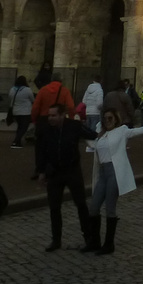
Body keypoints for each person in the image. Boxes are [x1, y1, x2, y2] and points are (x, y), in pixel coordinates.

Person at [87, 107, 143, 253]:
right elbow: (93, 147)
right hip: (103, 173)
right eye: (105, 118)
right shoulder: (101, 134)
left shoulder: (122, 130)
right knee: (93, 207)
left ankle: (108, 244)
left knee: (110, 208)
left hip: (114, 172)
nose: (108, 121)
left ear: (116, 119)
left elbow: (139, 131)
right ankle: (94, 242)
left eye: (110, 118)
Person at [34, 101, 97, 251]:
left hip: (72, 170)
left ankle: (88, 237)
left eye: (54, 115)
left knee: (81, 204)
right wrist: (41, 171)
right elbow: (41, 151)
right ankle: (56, 240)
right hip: (54, 172)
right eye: (49, 115)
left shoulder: (73, 126)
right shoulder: (45, 130)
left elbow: (91, 134)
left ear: (62, 115)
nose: (50, 118)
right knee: (54, 207)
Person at [8, 76, 34, 148]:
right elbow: (32, 99)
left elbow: (10, 97)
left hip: (15, 111)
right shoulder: (27, 90)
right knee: (24, 128)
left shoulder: (12, 89)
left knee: (19, 127)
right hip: (25, 112)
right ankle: (15, 141)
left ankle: (18, 142)